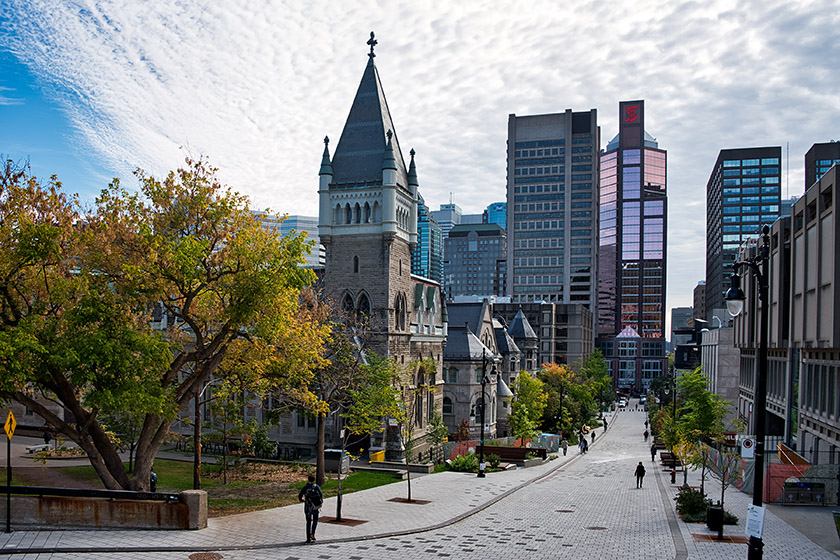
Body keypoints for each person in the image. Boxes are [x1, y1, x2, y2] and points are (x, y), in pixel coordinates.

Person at [298, 474, 323, 543]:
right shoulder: (316, 487)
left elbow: (300, 495)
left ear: (308, 479)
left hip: (308, 507)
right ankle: (313, 533)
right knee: (315, 520)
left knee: (308, 522)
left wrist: (302, 500)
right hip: (315, 506)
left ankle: (308, 537)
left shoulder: (305, 487)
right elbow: (321, 495)